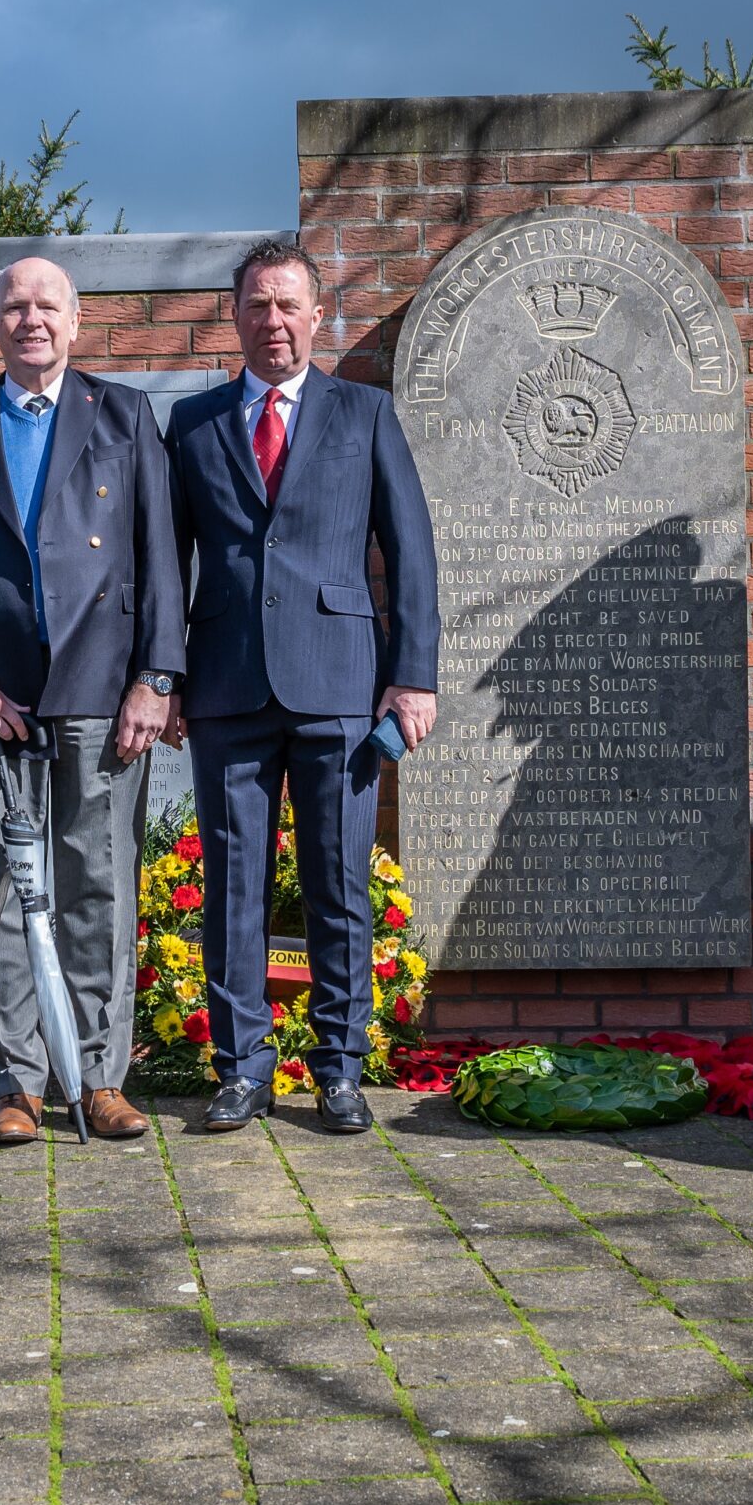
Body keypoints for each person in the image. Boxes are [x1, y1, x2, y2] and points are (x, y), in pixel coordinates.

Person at [165, 239, 438, 1135]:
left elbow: (411, 551)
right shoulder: (195, 423)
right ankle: (241, 1068)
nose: (272, 321)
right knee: (235, 885)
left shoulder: (364, 412)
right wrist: (159, 675)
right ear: (234, 315)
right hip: (226, 685)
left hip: (340, 686)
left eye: (288, 305)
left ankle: (339, 1066)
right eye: (256, 305)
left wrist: (414, 677)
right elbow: (167, 565)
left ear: (318, 315)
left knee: (337, 883)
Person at [0, 257, 185, 1147]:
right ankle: (14, 1084)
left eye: (48, 306)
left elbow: (158, 557)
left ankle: (101, 1077)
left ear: (76, 323)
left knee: (97, 887)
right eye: (14, 306)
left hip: (102, 692)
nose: (31, 320)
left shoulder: (124, 416)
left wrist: (157, 678)